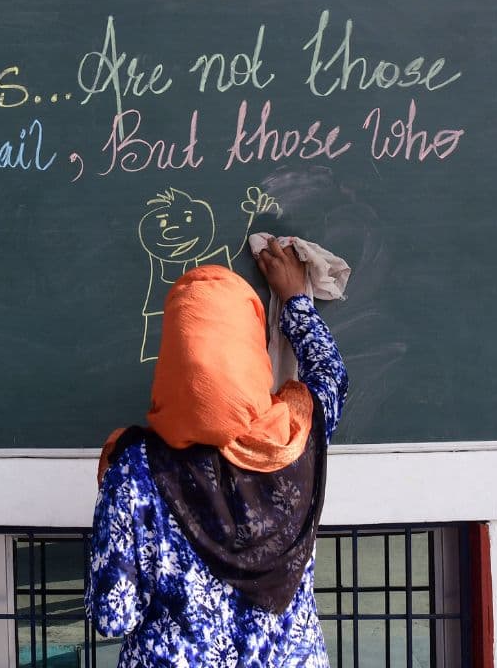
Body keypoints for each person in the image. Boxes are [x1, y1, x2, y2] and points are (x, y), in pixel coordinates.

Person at [86, 237, 349, 667]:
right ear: (250, 351)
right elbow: (330, 375)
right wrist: (297, 302)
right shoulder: (295, 438)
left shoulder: (135, 469)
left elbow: (114, 615)